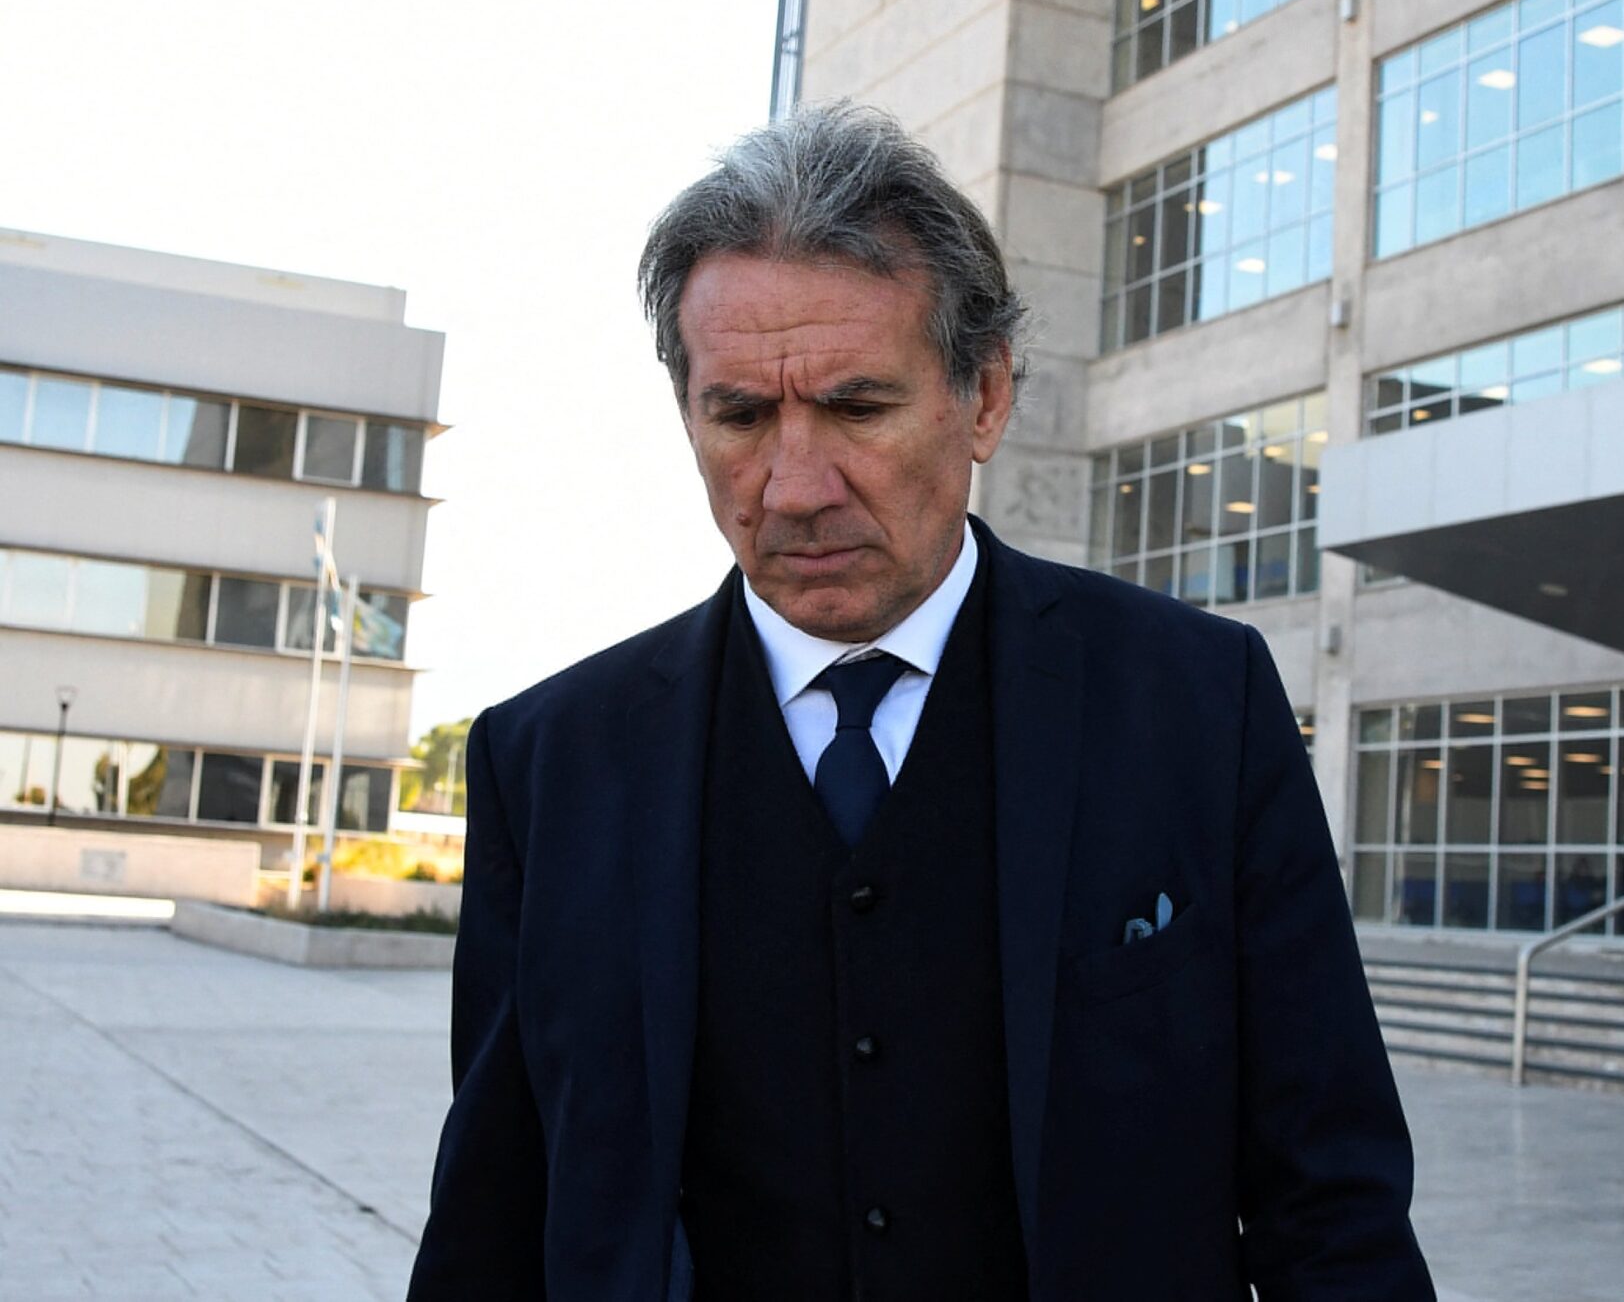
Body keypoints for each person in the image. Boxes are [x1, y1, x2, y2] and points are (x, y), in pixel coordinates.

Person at [409, 105, 1434, 1300]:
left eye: (857, 407)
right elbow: (491, 1216)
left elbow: (1332, 1200)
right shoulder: (549, 761)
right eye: (739, 414)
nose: (792, 485)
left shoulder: (1200, 705)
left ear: (985, 395)